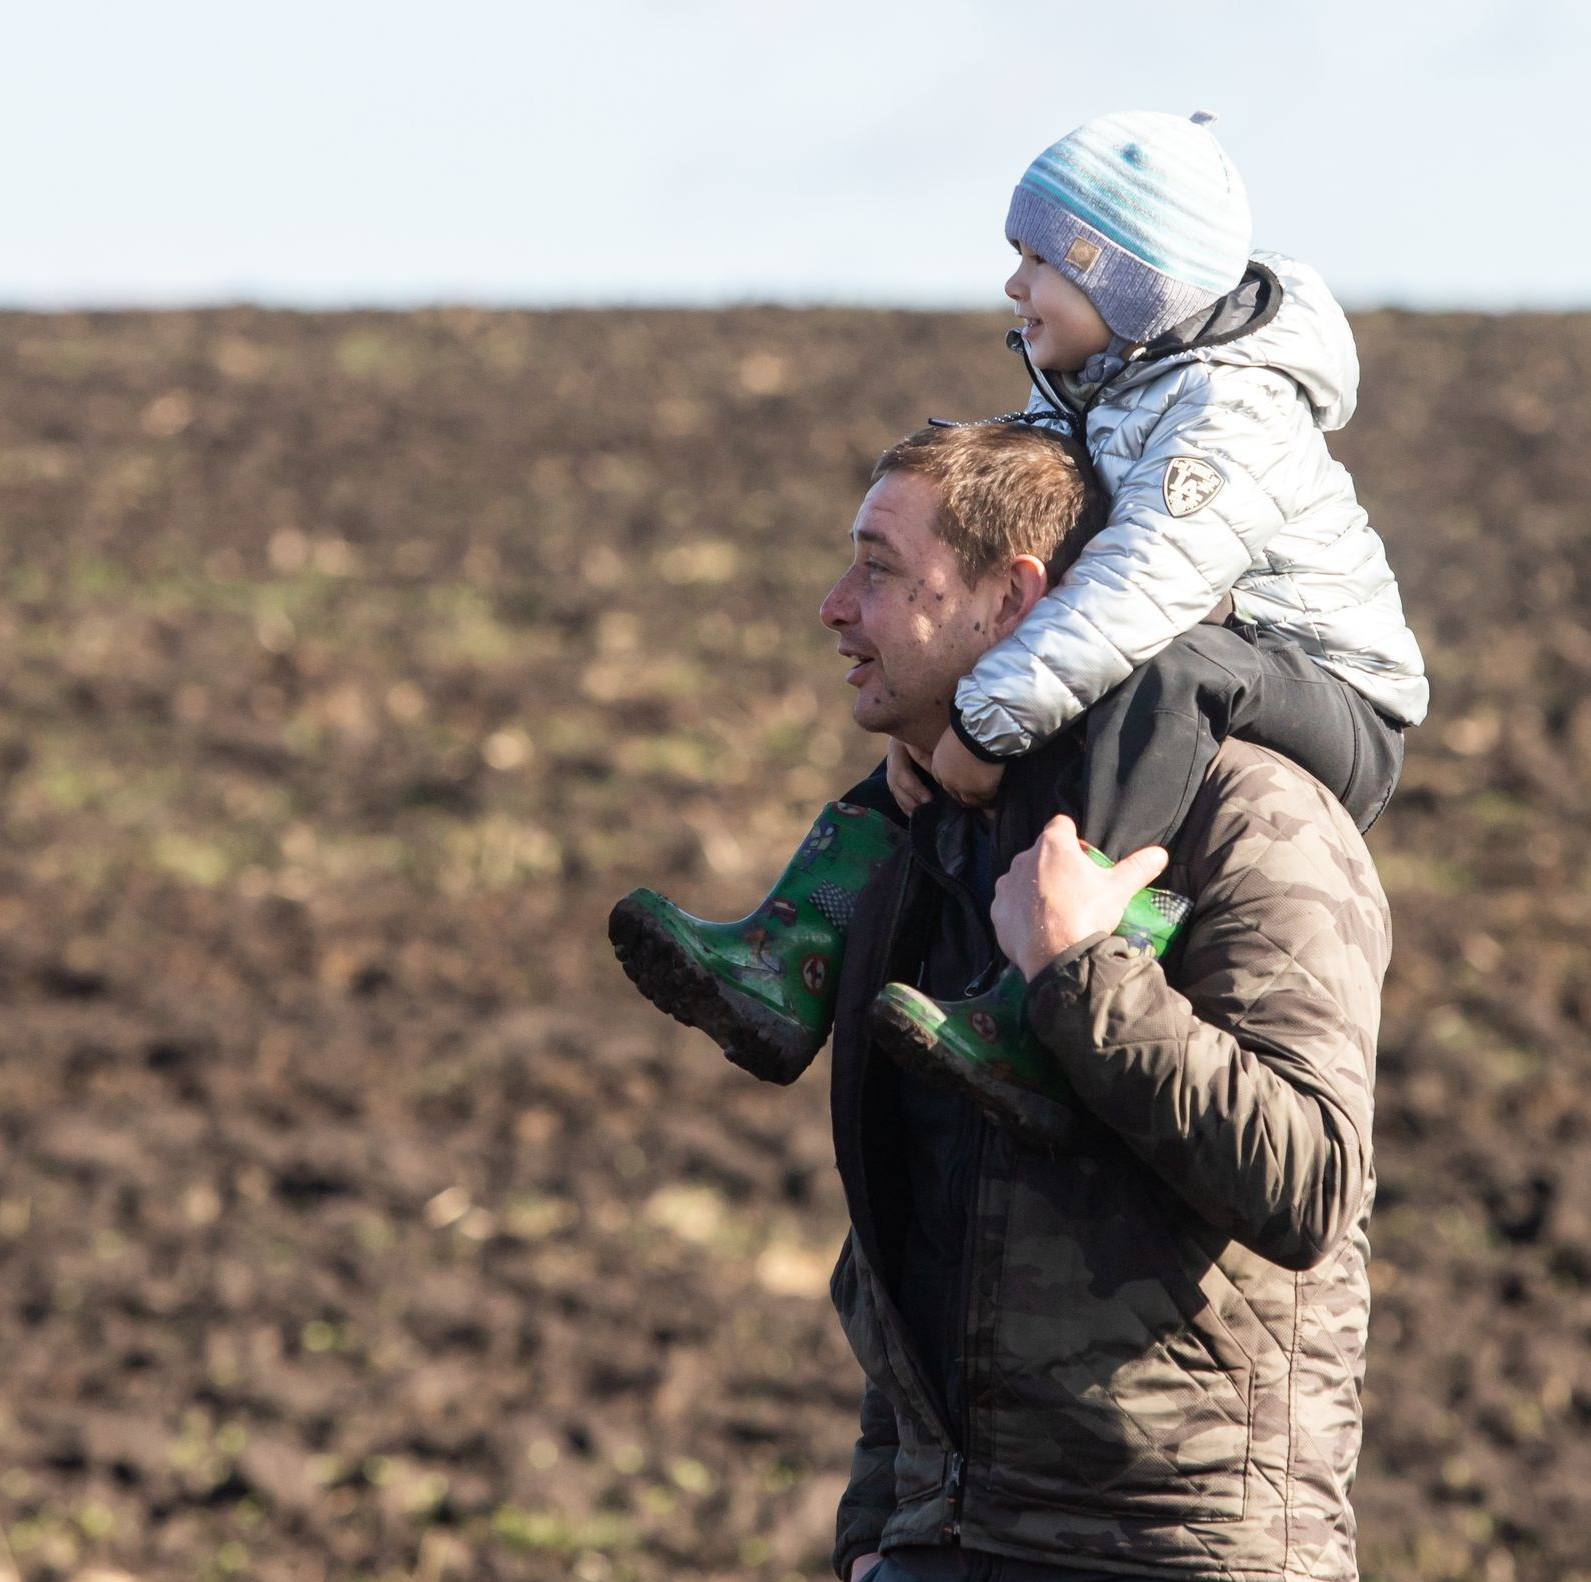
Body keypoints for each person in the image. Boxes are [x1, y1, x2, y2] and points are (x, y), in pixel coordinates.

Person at [610, 110, 1423, 1123]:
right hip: (1202, 649)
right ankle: (788, 957)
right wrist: (944, 711)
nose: (1012, 284)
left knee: (1162, 673)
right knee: (950, 704)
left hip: (1332, 693)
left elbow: (1139, 586)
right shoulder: (1098, 391)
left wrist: (984, 722)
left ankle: (1046, 990)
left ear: (1124, 283)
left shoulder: (1231, 412)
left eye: (1039, 260)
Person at [813, 420, 1387, 1582]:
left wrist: (1080, 971)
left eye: (879, 568)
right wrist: (875, 1535)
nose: (834, 606)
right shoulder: (932, 835)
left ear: (1015, 598)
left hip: (1178, 1580)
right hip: (931, 1576)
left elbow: (1309, 1179)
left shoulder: (1251, 815)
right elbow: (908, 1216)